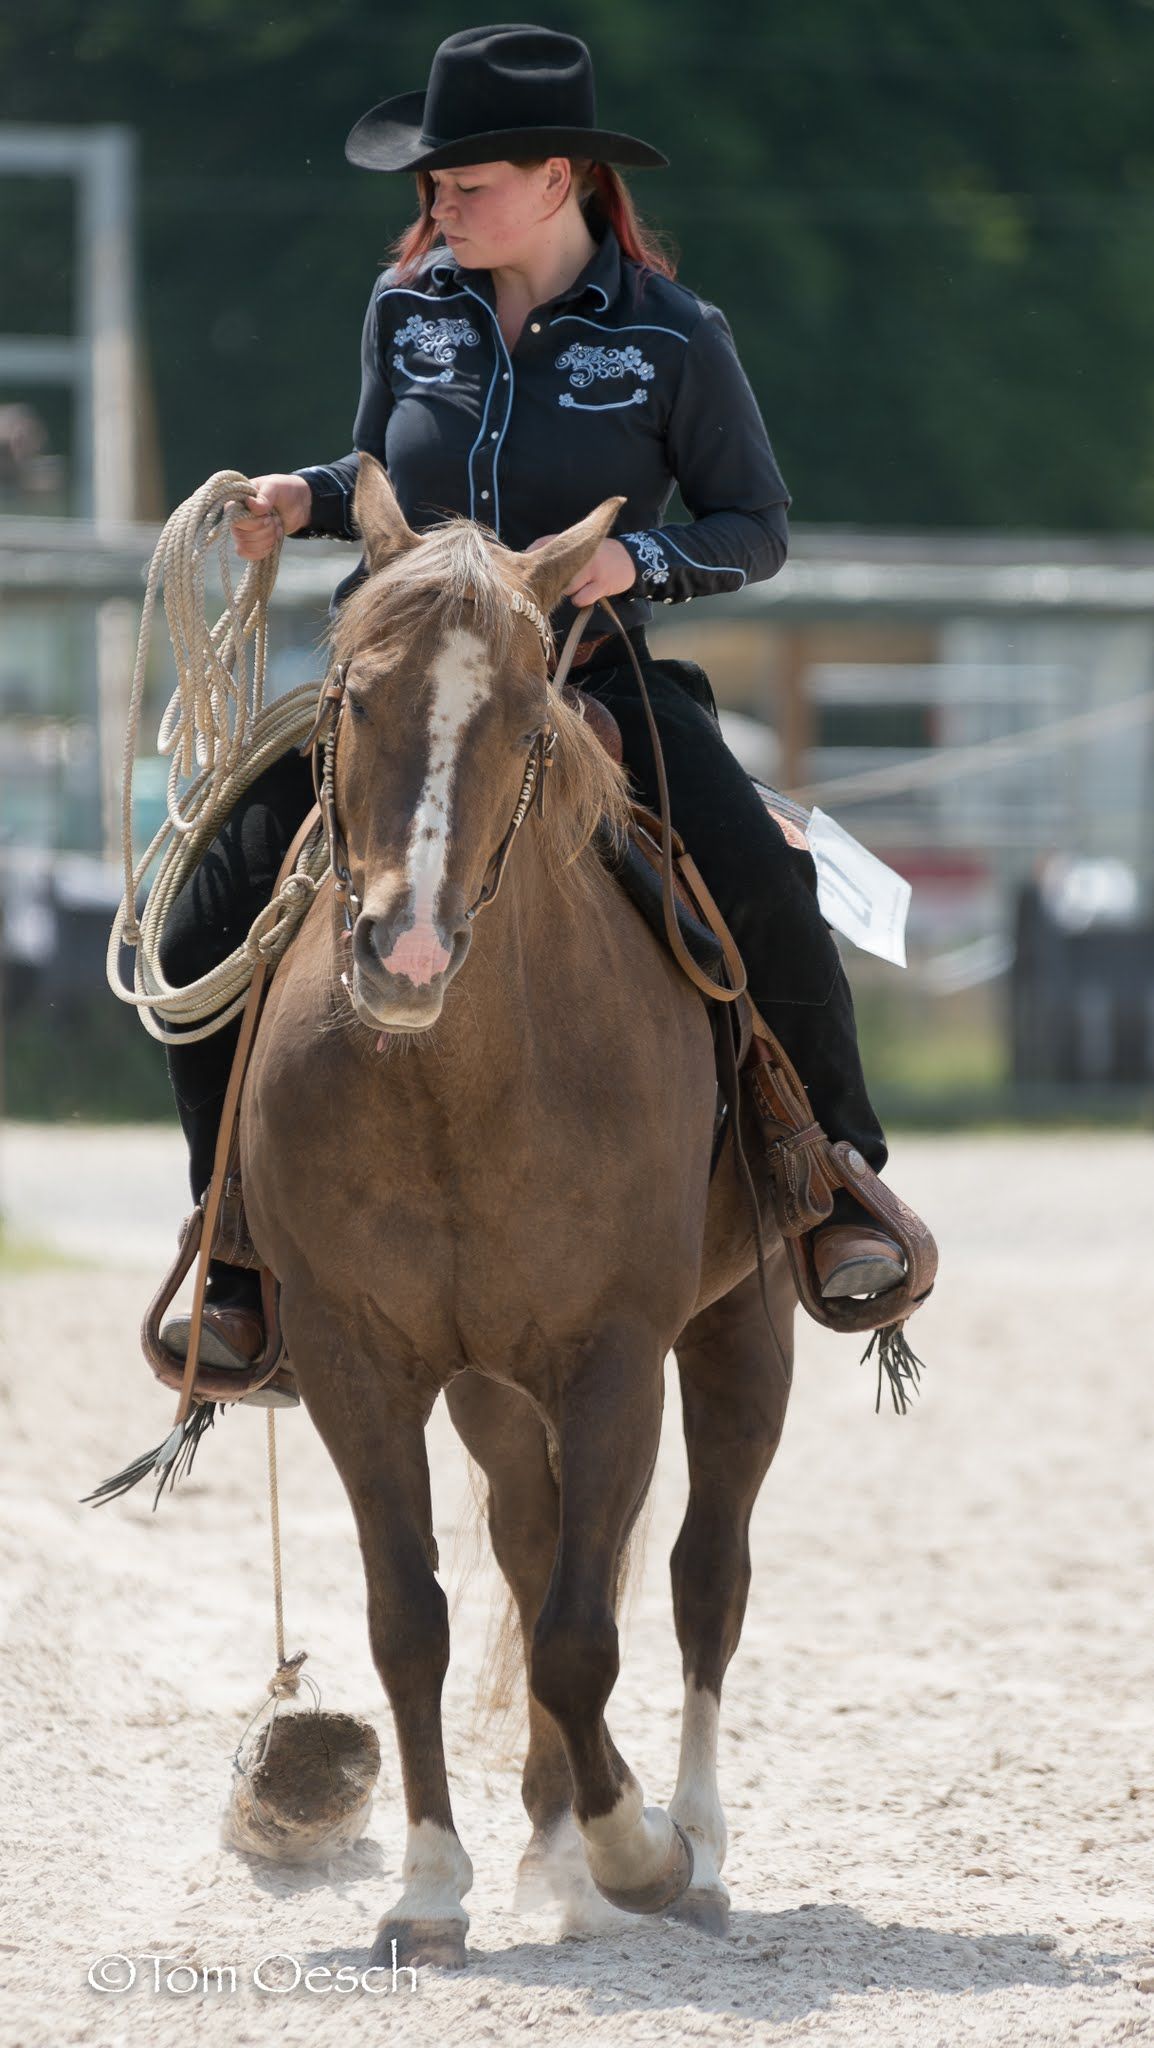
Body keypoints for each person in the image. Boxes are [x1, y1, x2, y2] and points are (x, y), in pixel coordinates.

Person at [159, 23, 906, 1377]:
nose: (437, 206)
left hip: (590, 674)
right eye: (431, 185)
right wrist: (299, 498)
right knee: (208, 900)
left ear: (559, 179)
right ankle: (235, 1239)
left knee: (755, 874)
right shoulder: (408, 308)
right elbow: (379, 471)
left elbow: (755, 524)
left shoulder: (676, 338)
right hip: (400, 684)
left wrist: (647, 557)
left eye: (466, 182)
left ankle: (826, 1174)